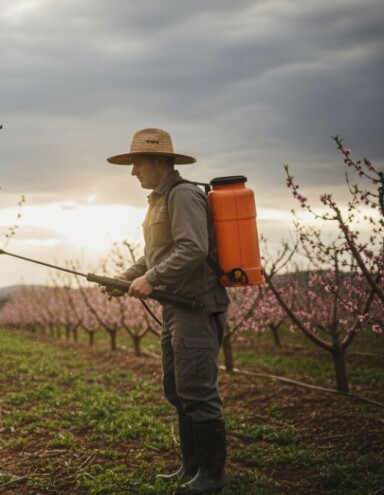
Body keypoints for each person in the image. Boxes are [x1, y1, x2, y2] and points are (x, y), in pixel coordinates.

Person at [105, 128, 230, 494]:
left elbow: (193, 249)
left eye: (138, 164)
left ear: (160, 162)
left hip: (197, 307)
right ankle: (192, 468)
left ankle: (212, 477)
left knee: (197, 391)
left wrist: (152, 279)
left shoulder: (183, 196)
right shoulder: (159, 201)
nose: (133, 172)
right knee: (177, 389)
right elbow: (154, 256)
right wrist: (125, 278)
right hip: (175, 308)